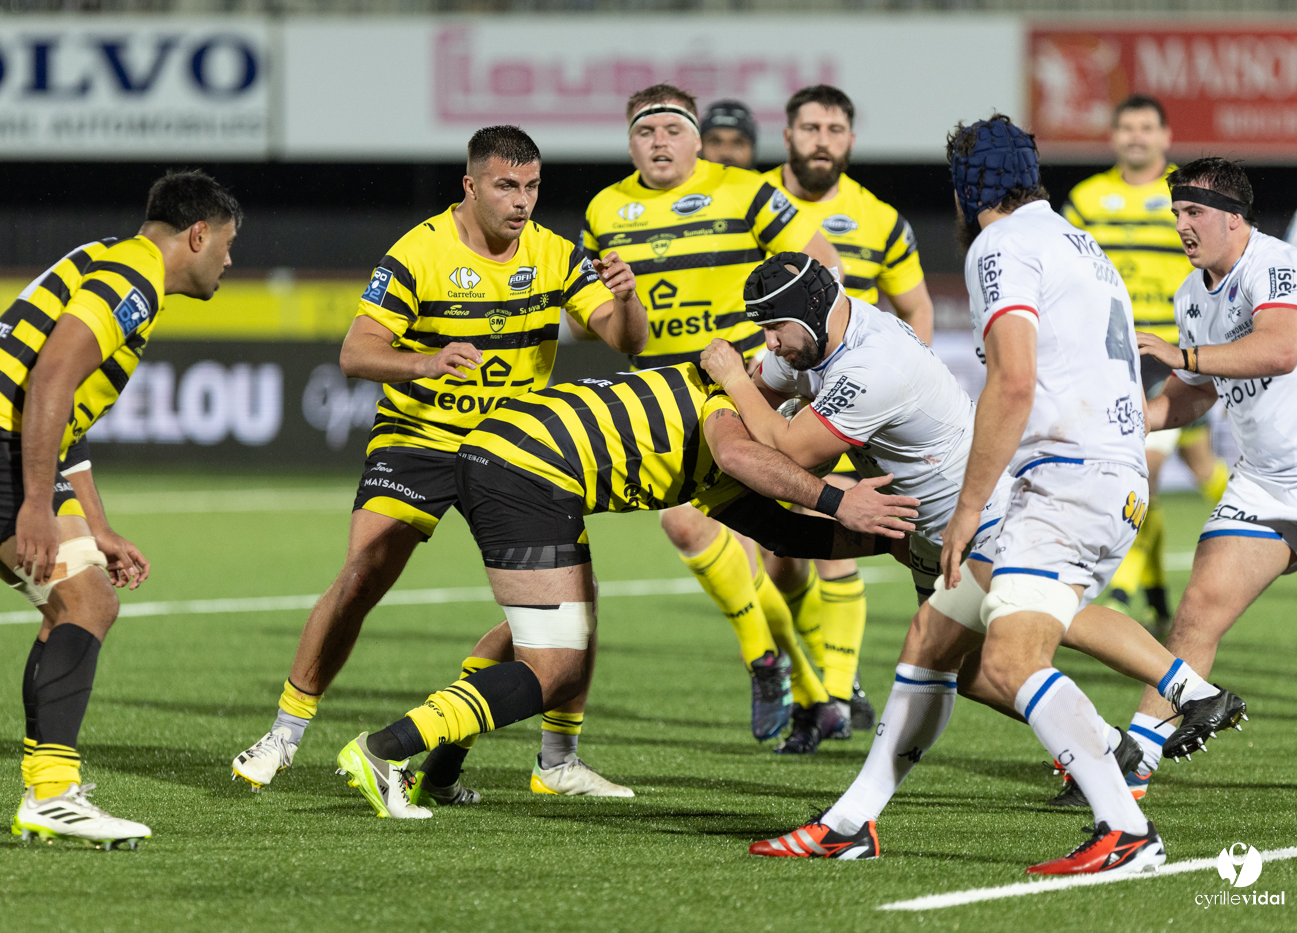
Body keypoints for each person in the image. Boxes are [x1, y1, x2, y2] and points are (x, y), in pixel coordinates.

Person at [748, 114, 1205, 874]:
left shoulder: (1000, 245)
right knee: (932, 639)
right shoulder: (1075, 240)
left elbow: (1014, 380)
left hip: (1065, 475)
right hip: (1103, 466)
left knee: (1012, 657)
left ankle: (1126, 827)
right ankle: (850, 821)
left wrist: (967, 508)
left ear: (970, 187)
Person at [230, 126, 648, 794]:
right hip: (420, 437)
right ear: (471, 185)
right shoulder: (419, 253)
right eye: (506, 186)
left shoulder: (556, 254)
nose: (522, 201)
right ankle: (284, 734)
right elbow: (355, 353)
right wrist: (428, 361)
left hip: (516, 449)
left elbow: (625, 340)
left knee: (569, 602)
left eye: (532, 186)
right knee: (364, 574)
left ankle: (554, 759)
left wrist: (628, 298)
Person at [701, 253, 1228, 767]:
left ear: (813, 312)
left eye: (775, 327)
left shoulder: (873, 361)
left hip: (982, 509)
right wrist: (750, 392)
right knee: (972, 672)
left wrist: (731, 381)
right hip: (934, 532)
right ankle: (1110, 747)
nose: (769, 342)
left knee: (1041, 613)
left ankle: (1189, 692)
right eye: (764, 329)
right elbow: (766, 403)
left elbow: (789, 447)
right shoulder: (807, 343)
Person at [332, 360, 921, 818]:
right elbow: (749, 460)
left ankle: (444, 770)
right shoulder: (734, 420)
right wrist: (844, 501)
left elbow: (783, 533)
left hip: (523, 462)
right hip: (525, 472)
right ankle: (385, 750)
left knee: (558, 624)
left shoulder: (736, 418)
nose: (818, 456)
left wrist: (889, 543)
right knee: (554, 667)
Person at [0, 170, 241, 848]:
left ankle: (50, 792)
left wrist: (94, 522)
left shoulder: (115, 262)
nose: (230, 263)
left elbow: (67, 412)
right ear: (198, 234)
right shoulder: (134, 276)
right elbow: (53, 376)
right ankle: (53, 796)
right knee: (85, 603)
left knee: (81, 602)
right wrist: (37, 502)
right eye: (228, 246)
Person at [582, 83, 846, 745]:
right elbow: (616, 332)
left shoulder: (746, 191)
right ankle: (803, 684)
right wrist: (623, 306)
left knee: (717, 532)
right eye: (647, 132)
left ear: (696, 139)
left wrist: (792, 354)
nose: (660, 142)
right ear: (629, 141)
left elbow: (824, 265)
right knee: (716, 531)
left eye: (673, 129)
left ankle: (786, 672)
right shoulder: (604, 211)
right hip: (657, 397)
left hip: (741, 386)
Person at [756, 85, 938, 745]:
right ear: (788, 134)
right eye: (811, 126)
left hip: (846, 404)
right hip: (776, 382)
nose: (822, 139)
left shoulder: (880, 218)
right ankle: (824, 679)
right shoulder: (754, 204)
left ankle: (832, 688)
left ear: (851, 140)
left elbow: (916, 307)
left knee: (828, 535)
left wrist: (886, 382)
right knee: (778, 559)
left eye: (835, 127)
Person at [1117, 158, 1281, 798]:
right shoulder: (1191, 295)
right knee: (1194, 618)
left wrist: (1177, 354)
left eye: (1195, 213)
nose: (1183, 226)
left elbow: (1281, 347)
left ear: (1235, 220)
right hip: (1267, 487)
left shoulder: (1274, 265)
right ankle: (1134, 768)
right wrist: (1122, 423)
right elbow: (1192, 395)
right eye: (1178, 213)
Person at [1064, 96, 1228, 630]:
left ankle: (1123, 594)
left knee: (1144, 470)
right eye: (1126, 127)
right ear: (1113, 137)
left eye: (1145, 127)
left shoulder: (1187, 200)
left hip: (1175, 356)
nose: (1135, 136)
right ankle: (1155, 583)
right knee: (1195, 465)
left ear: (1165, 136)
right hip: (1111, 357)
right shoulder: (1087, 199)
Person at [699, 99, 758, 169]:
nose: (726, 153)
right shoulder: (686, 180)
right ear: (699, 146)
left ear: (752, 148)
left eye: (738, 143)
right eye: (715, 142)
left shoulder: (766, 180)